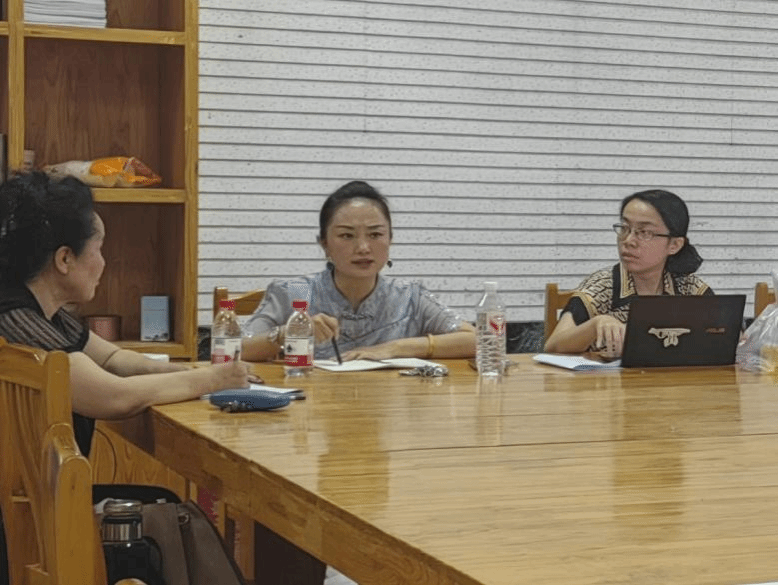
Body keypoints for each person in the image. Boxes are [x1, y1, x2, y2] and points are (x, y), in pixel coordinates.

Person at [0, 171, 252, 457]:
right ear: (65, 258)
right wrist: (214, 380)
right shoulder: (14, 320)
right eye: (99, 249)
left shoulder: (41, 309)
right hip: (32, 487)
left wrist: (188, 372)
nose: (104, 262)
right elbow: (114, 397)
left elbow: (112, 359)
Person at [242, 180, 475, 362]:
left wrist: (397, 347)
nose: (363, 248)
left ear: (390, 239)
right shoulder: (295, 291)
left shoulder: (409, 296)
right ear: (324, 244)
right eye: (347, 235)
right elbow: (236, 348)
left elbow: (478, 340)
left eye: (375, 234)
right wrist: (288, 333)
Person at [544, 189, 712, 357]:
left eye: (644, 232)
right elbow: (553, 345)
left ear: (674, 245)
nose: (628, 240)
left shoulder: (688, 287)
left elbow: (724, 338)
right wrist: (595, 324)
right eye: (624, 228)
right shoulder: (604, 286)